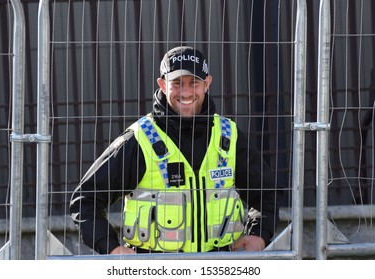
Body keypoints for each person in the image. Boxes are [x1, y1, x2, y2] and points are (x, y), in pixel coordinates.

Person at [70, 46, 279, 255]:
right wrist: (113, 249)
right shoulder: (140, 139)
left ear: (207, 84)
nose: (186, 92)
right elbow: (85, 200)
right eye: (177, 83)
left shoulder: (228, 136)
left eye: (194, 83)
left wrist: (259, 234)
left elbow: (267, 193)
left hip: (218, 267)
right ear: (162, 84)